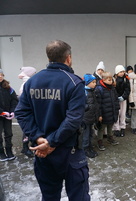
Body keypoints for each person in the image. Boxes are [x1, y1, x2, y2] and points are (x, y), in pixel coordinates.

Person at [15, 40, 90, 201]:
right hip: (69, 152)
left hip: (42, 152)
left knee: (49, 197)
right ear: (68, 58)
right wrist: (51, 142)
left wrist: (38, 138)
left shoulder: (33, 82)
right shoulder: (74, 83)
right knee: (79, 197)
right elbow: (73, 120)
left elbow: (21, 113)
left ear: (49, 57)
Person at [96, 71, 120, 148]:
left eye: (111, 80)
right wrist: (99, 114)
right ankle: (100, 141)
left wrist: (117, 109)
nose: (111, 81)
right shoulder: (100, 89)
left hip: (112, 111)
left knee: (110, 125)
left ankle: (110, 137)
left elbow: (116, 99)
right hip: (104, 113)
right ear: (104, 80)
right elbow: (98, 103)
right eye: (109, 80)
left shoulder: (112, 89)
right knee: (101, 128)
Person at [0, 69, 18, 162]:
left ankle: (9, 151)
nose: (0, 76)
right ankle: (1, 153)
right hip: (1, 115)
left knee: (8, 134)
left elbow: (14, 100)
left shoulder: (8, 88)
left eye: (1, 75)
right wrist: (1, 112)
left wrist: (12, 111)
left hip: (7, 116)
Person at [18, 66, 37, 157]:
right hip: (29, 111)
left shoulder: (29, 82)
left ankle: (30, 146)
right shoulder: (27, 84)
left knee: (30, 129)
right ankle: (25, 148)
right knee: (27, 130)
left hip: (31, 110)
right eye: (34, 73)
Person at [82, 74, 101, 158]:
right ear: (87, 83)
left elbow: (96, 104)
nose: (95, 84)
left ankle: (90, 147)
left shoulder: (92, 91)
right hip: (86, 118)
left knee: (90, 134)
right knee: (86, 134)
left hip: (91, 117)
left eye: (95, 82)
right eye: (93, 82)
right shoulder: (84, 92)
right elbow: (81, 105)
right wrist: (88, 107)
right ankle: (85, 149)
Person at [113, 65, 130, 137]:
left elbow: (128, 89)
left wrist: (123, 97)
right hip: (116, 100)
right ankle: (116, 128)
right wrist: (116, 97)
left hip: (123, 100)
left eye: (123, 71)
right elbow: (113, 90)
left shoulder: (126, 79)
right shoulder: (114, 79)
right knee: (117, 113)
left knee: (123, 114)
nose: (122, 73)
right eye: (120, 72)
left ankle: (123, 127)